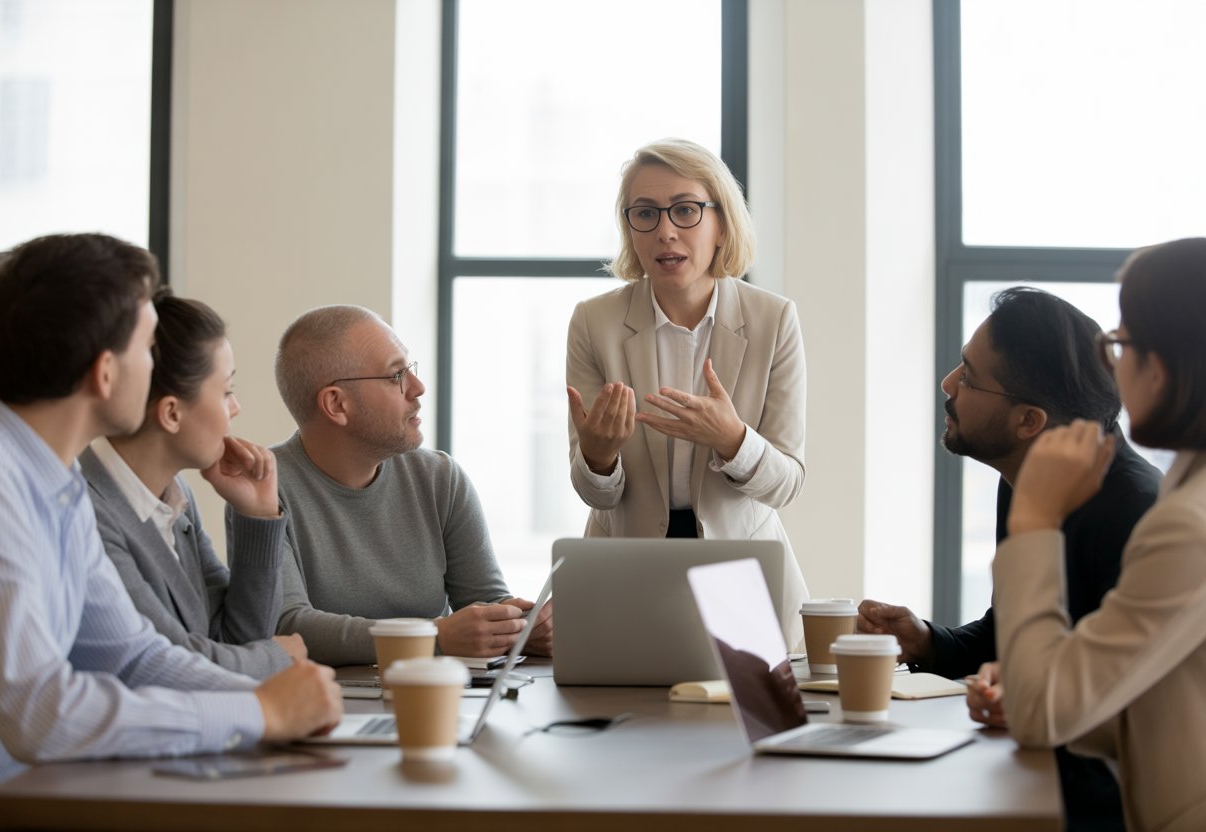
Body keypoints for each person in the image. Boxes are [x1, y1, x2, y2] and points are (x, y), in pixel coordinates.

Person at [0, 233, 340, 787]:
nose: (155, 368)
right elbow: (41, 713)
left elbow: (132, 656)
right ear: (105, 373)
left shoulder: (58, 485)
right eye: (146, 346)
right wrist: (261, 712)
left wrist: (272, 699)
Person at [858, 287, 1161, 832]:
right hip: (1036, 768)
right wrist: (927, 640)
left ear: (1029, 421)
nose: (948, 384)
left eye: (970, 378)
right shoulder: (1025, 473)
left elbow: (1135, 703)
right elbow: (1006, 637)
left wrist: (1033, 695)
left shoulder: (1139, 513)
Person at [993, 238, 1206, 832]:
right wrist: (1034, 679)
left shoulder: (1187, 525)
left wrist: (1034, 518)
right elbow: (1162, 695)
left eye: (1120, 342)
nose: (1110, 362)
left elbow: (1041, 715)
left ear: (1159, 366)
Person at [565, 138, 808, 648]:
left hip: (743, 568)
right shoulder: (595, 321)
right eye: (645, 214)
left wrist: (732, 439)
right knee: (622, 718)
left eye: (685, 210)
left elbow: (785, 484)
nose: (665, 231)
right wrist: (599, 455)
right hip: (628, 566)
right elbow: (594, 494)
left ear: (721, 224)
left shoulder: (773, 320)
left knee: (746, 722)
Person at [238, 304, 551, 665]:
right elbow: (289, 627)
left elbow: (485, 602)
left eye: (409, 370)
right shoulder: (262, 489)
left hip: (434, 696)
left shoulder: (440, 478)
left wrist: (523, 625)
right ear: (336, 404)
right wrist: (433, 637)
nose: (418, 388)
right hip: (326, 708)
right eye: (395, 376)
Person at [79, 289, 305, 679]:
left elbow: (236, 639)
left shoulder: (177, 498)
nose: (236, 408)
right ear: (171, 413)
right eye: (227, 392)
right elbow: (171, 662)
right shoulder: (87, 510)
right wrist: (278, 656)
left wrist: (258, 514)